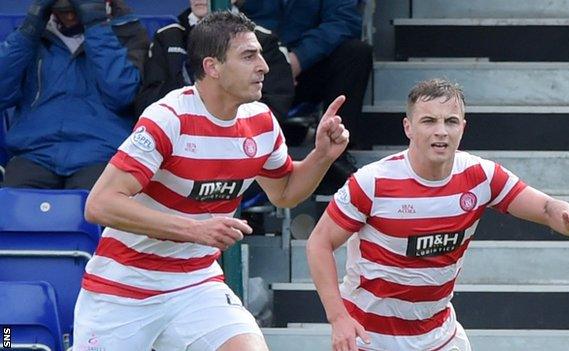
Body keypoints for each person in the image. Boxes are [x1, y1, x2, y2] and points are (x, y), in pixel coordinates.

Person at [73, 11, 350, 351]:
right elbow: (100, 204)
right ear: (212, 67)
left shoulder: (261, 121)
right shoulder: (168, 118)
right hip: (124, 288)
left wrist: (322, 155)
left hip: (195, 283)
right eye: (249, 56)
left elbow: (285, 193)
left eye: (260, 54)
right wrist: (192, 229)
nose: (264, 66)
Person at [306, 78, 569, 351]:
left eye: (450, 121)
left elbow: (547, 207)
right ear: (408, 127)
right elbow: (319, 243)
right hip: (369, 337)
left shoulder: (481, 176)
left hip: (440, 336)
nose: (441, 131)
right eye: (429, 121)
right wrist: (337, 318)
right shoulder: (371, 182)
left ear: (463, 126)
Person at [0, 0, 148, 189]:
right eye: (63, 11)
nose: (70, 17)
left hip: (100, 152)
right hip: (34, 152)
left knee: (96, 211)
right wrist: (29, 28)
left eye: (74, 10)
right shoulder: (33, 34)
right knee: (14, 211)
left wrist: (96, 25)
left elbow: (122, 95)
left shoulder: (127, 31)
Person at [238, 0, 373, 194]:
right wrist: (276, 65)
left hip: (307, 67)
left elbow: (343, 21)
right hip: (258, 65)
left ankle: (335, 154)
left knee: (356, 53)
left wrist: (298, 60)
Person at [134, 0, 294, 123]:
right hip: (180, 140)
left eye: (248, 56)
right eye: (248, 56)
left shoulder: (263, 40)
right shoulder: (167, 37)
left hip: (240, 142)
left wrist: (224, 123)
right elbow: (146, 103)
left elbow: (276, 105)